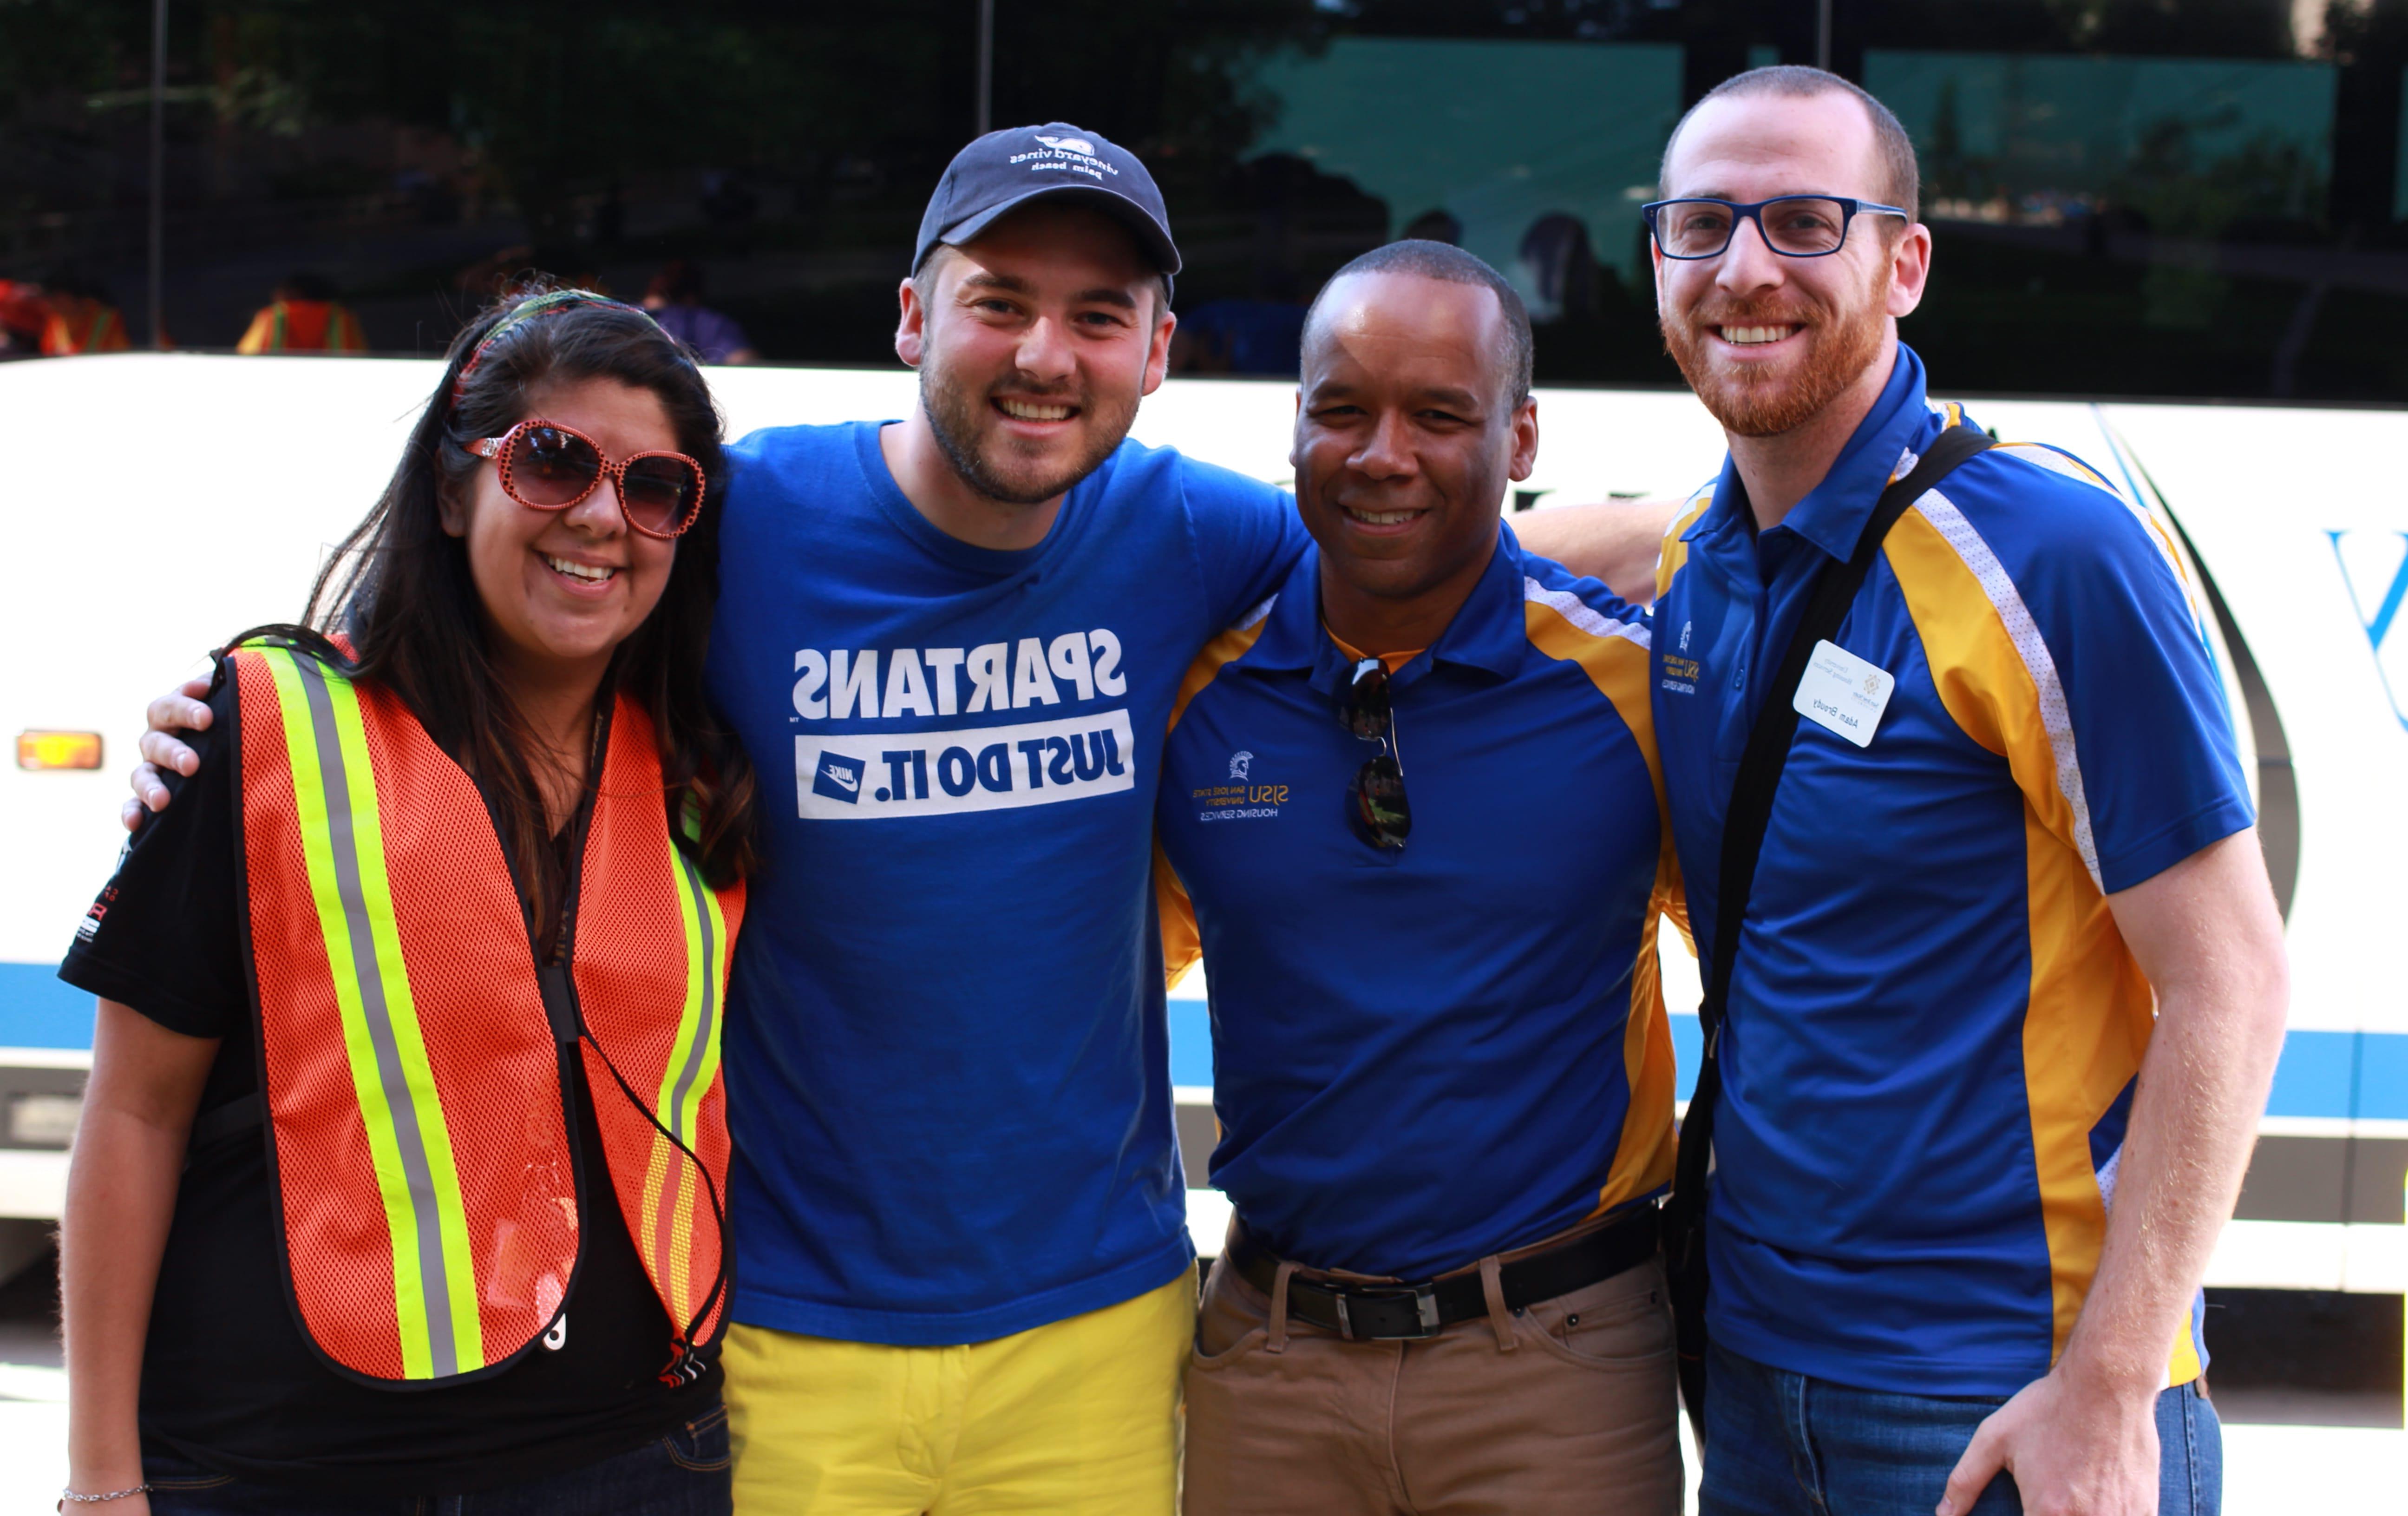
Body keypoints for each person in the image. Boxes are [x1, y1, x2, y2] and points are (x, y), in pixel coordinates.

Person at [126, 124, 1662, 1515]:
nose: (1043, 354)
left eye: (1095, 315)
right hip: (791, 1325)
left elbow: (1430, 540)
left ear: (1156, 353)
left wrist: (1736, 542)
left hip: (1099, 1333)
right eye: (998, 299)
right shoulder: (743, 518)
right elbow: (521, 597)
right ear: (914, 315)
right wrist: (259, 716)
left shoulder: (1192, 529)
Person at [1636, 66, 2288, 1516]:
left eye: (1806, 221)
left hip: (2002, 1408)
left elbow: (2233, 984)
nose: (1747, 269)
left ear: (1905, 263)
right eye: (1700, 226)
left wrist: (2111, 1390)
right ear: (1659, 261)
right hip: (1749, 1387)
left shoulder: (2053, 556)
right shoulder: (1696, 565)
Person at [64, 288, 755, 1513]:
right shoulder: (265, 732)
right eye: (554, 462)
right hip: (291, 1471)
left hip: (635, 1462)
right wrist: (100, 1482)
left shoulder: (707, 782)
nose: (603, 515)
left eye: (655, 488)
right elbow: (131, 1118)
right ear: (452, 490)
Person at [1157, 240, 1684, 1515]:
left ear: (1523, 436)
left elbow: (1796, 975)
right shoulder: (1196, 700)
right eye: (1343, 410)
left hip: (1558, 1369)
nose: (1382, 454)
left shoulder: (1638, 693)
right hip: (1269, 1365)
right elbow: (1094, 982)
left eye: (1441, 415)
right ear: (1295, 427)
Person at [643, 262, 759, 365]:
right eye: (666, 274)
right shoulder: (632, 314)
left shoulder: (706, 321)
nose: (663, 282)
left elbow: (743, 359)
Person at [235, 272, 369, 354]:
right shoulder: (340, 316)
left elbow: (249, 354)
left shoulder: (274, 315)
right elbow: (357, 354)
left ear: (294, 292)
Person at [40, 274, 133, 354]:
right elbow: (48, 353)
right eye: (51, 299)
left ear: (74, 296)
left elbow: (122, 355)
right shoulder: (54, 322)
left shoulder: (107, 319)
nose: (54, 305)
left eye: (58, 298)